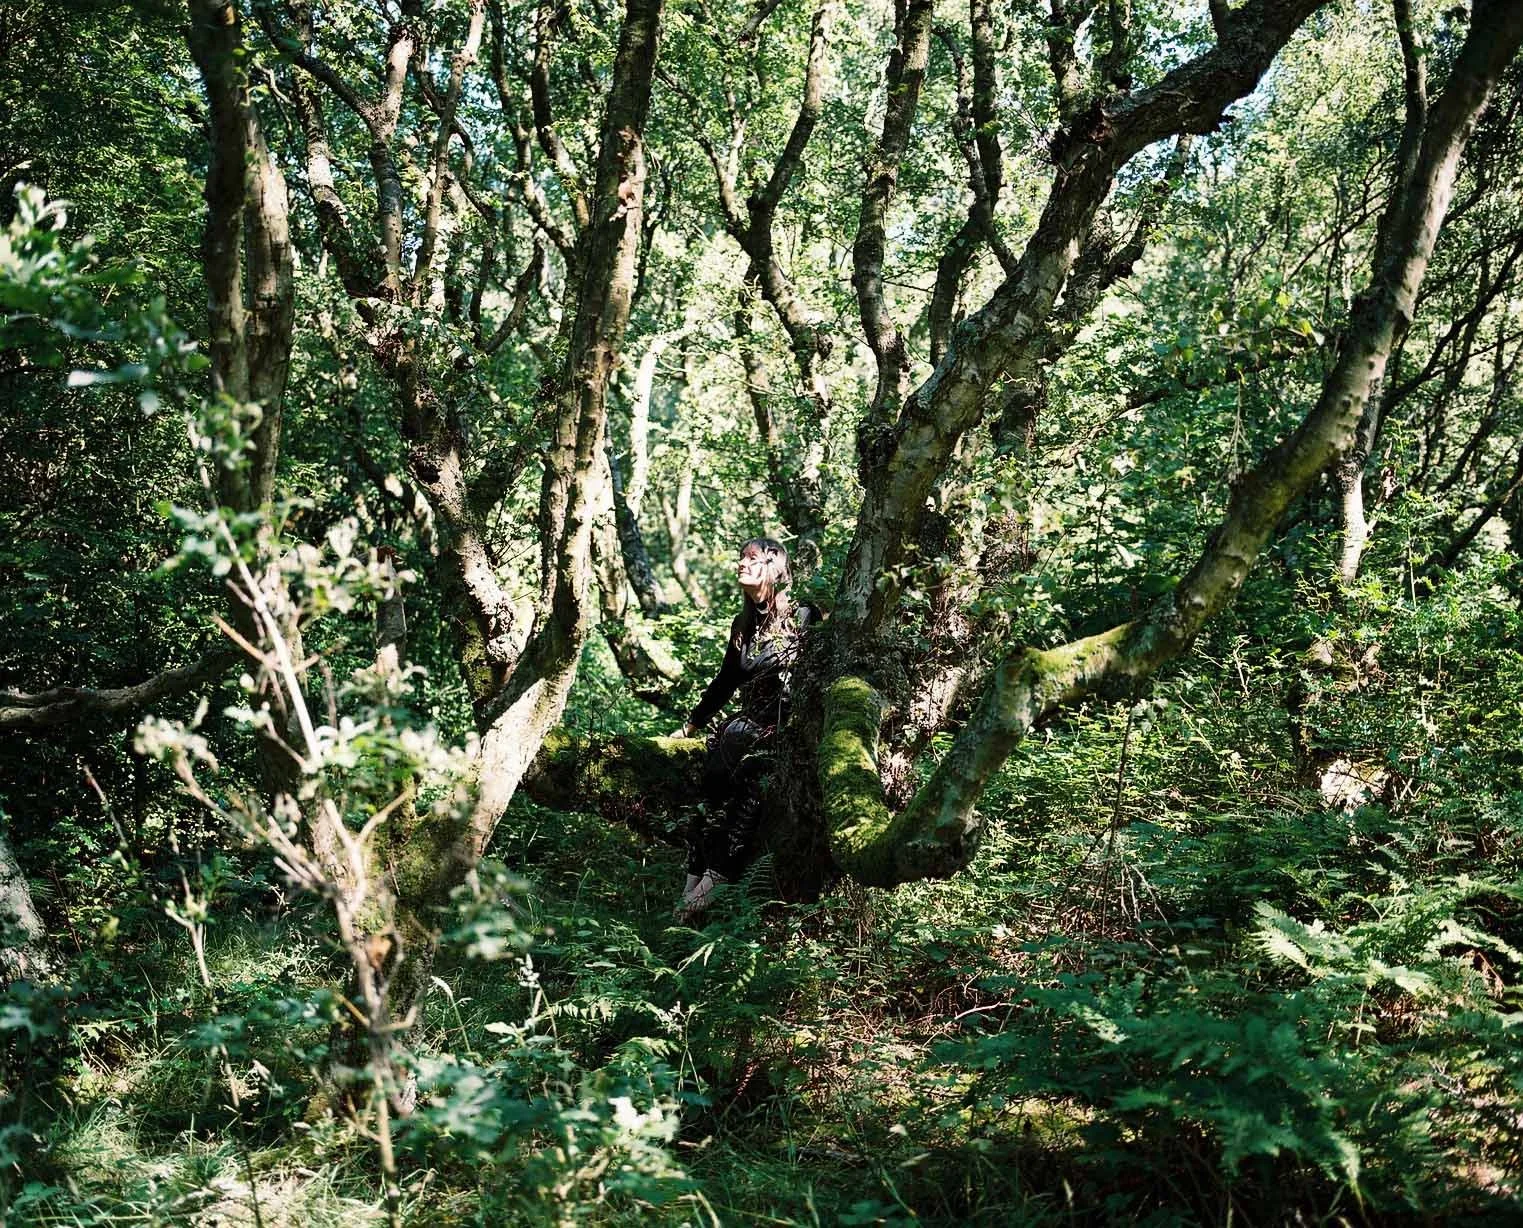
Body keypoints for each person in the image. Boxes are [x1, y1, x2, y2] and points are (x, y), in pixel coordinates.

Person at [671, 537, 821, 917]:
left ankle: (713, 882)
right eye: (741, 558)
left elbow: (814, 680)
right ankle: (691, 884)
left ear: (774, 568)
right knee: (709, 786)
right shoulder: (744, 623)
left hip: (780, 732)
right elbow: (725, 681)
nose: (741, 564)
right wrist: (692, 723)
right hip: (745, 726)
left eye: (751, 559)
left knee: (748, 784)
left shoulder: (802, 615)